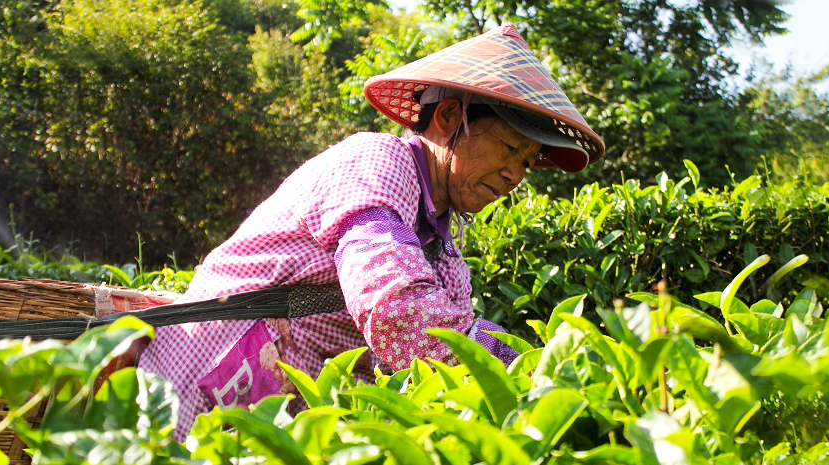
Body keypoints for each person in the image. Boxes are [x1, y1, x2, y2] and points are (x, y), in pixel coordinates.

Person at [137, 22, 605, 439]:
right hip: (206, 375)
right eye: (509, 147)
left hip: (274, 420)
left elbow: (446, 353)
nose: (514, 175)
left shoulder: (445, 255)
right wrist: (532, 366)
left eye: (526, 163)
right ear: (448, 119)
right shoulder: (378, 163)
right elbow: (396, 308)